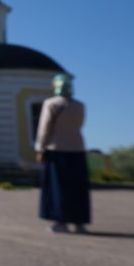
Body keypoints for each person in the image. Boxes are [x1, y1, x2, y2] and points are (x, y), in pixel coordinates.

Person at [35, 74, 91, 233]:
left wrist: (40, 148)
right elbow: (80, 125)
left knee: (58, 187)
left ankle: (60, 222)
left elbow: (44, 128)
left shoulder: (51, 103)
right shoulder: (80, 105)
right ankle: (79, 223)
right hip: (78, 149)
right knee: (77, 188)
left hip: (57, 149)